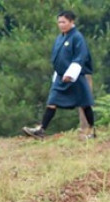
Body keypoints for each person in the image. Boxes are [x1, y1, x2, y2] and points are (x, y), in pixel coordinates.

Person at [22, 10, 95, 139]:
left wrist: (71, 73)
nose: (61, 25)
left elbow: (80, 57)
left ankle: (91, 130)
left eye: (64, 22)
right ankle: (41, 130)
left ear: (72, 22)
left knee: (84, 103)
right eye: (59, 22)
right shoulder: (60, 38)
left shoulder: (77, 37)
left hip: (75, 77)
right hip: (61, 76)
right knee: (52, 101)